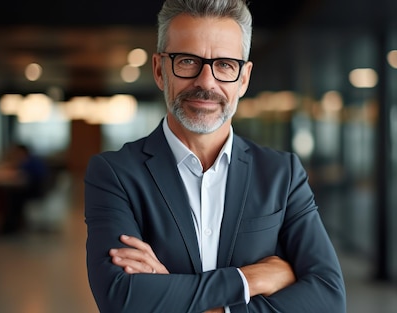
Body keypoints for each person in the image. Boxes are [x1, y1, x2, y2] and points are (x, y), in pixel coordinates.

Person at [83, 0, 346, 312]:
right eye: (187, 61)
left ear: (244, 78)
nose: (206, 82)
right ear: (159, 69)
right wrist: (250, 279)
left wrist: (188, 299)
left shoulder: (281, 173)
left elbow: (328, 299)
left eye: (224, 65)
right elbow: (121, 299)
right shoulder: (115, 174)